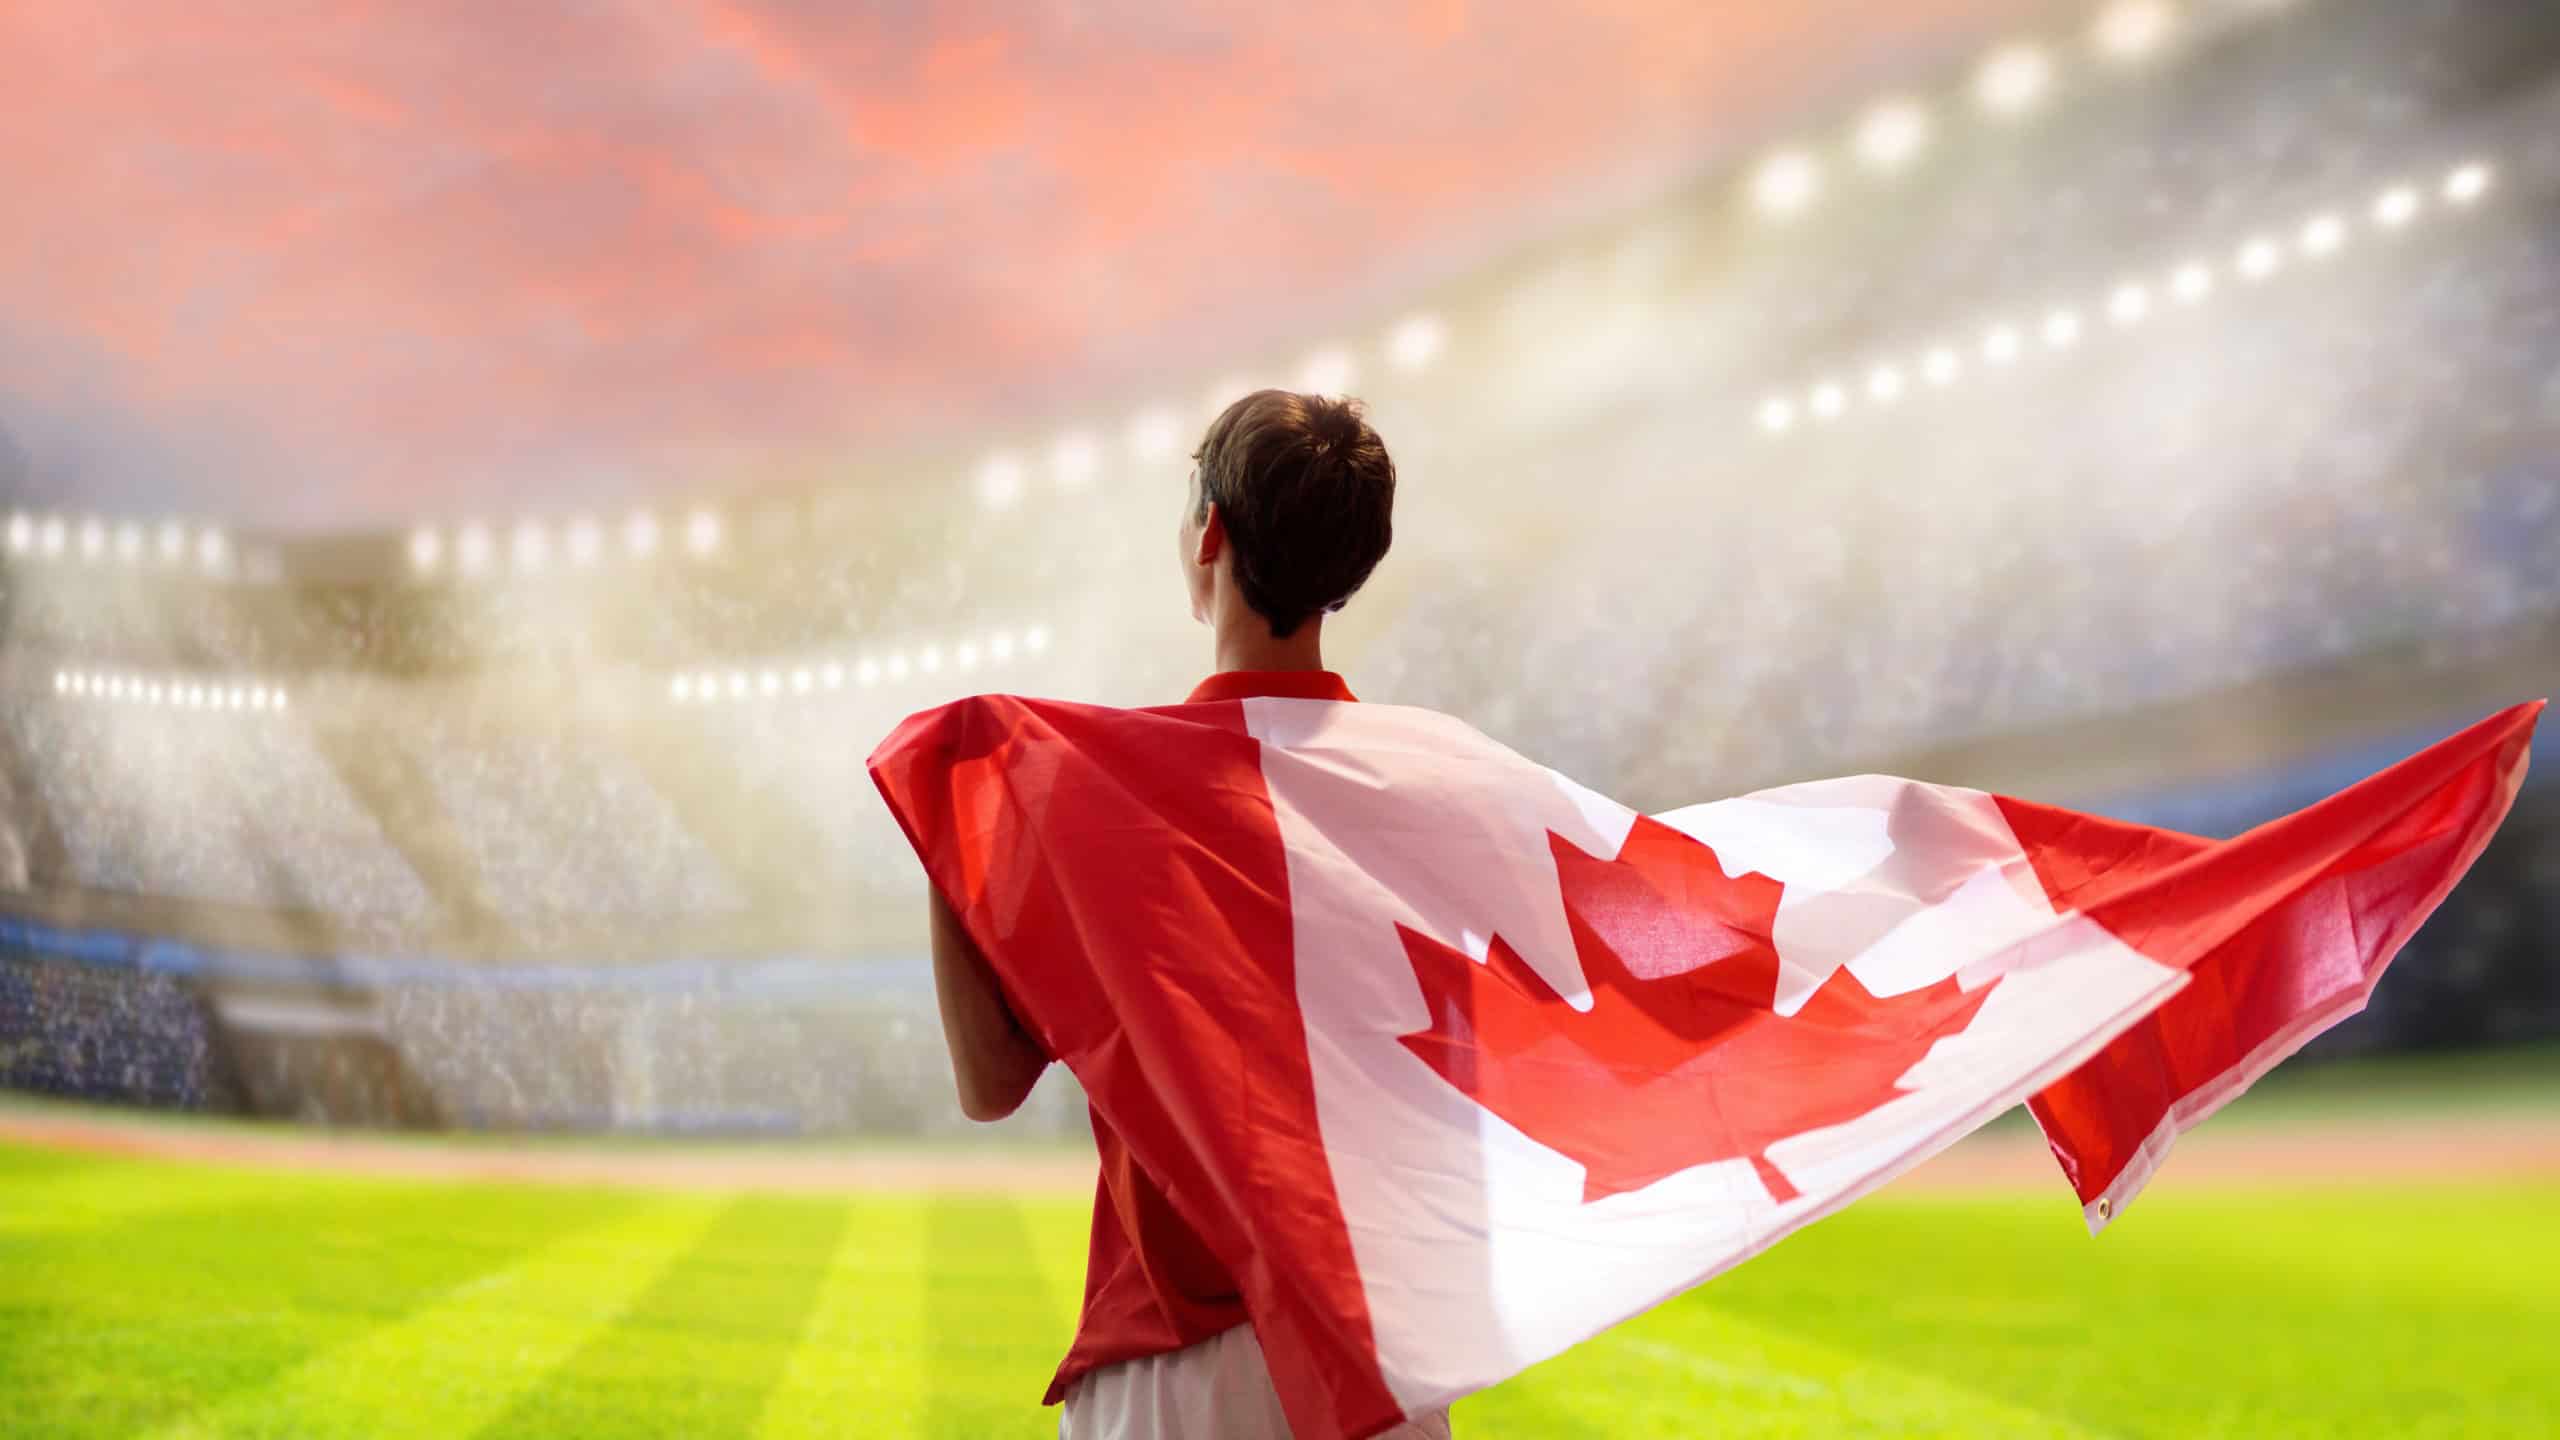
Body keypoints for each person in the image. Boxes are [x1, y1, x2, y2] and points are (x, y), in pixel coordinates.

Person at [925, 389, 1452, 1438]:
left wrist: (952, 832)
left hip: (1177, 1370)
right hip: (1381, 1362)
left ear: (1207, 532)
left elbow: (988, 1085)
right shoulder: (1431, 797)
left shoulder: (1092, 794)